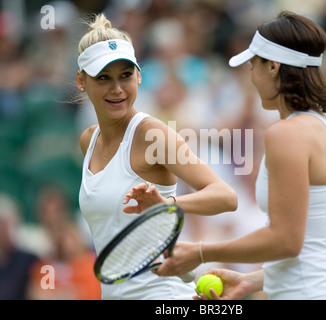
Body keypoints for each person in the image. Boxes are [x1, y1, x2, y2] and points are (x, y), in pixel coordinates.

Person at [155, 11, 326, 300]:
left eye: (253, 64)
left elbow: (286, 240)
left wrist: (201, 252)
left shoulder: (284, 133)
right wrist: (252, 281)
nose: (251, 75)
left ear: (273, 67)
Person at [75, 14, 237, 300]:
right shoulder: (88, 140)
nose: (117, 88)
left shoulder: (152, 134)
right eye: (103, 78)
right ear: (81, 81)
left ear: (139, 76)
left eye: (125, 75)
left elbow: (226, 196)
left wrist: (167, 204)